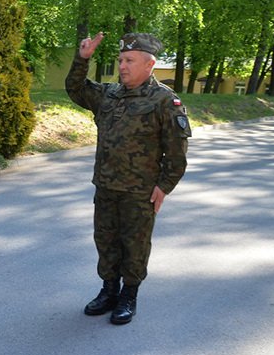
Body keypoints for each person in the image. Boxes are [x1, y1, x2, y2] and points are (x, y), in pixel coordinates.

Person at [65, 32, 190, 325]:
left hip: (139, 192)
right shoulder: (108, 95)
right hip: (106, 186)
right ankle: (109, 290)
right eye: (121, 60)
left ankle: (129, 295)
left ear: (149, 64)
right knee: (105, 241)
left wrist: (164, 187)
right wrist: (82, 58)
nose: (122, 66)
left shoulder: (164, 101)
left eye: (129, 60)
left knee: (134, 244)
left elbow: (176, 153)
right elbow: (75, 88)